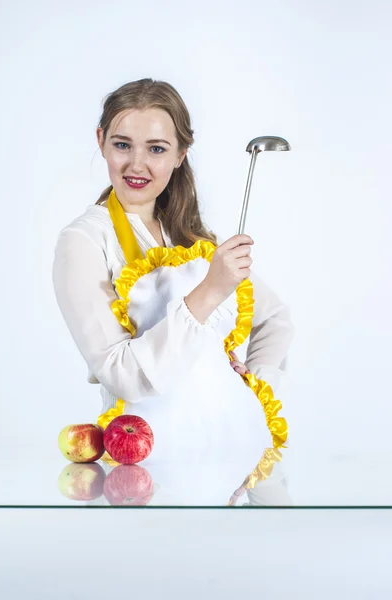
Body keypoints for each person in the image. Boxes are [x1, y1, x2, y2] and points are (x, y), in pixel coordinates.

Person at [52, 77, 294, 464]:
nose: (137, 164)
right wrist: (210, 291)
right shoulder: (83, 242)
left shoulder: (191, 239)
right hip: (144, 470)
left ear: (181, 154)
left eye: (157, 149)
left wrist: (253, 389)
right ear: (101, 140)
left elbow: (275, 319)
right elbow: (123, 374)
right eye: (122, 145)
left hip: (228, 452)